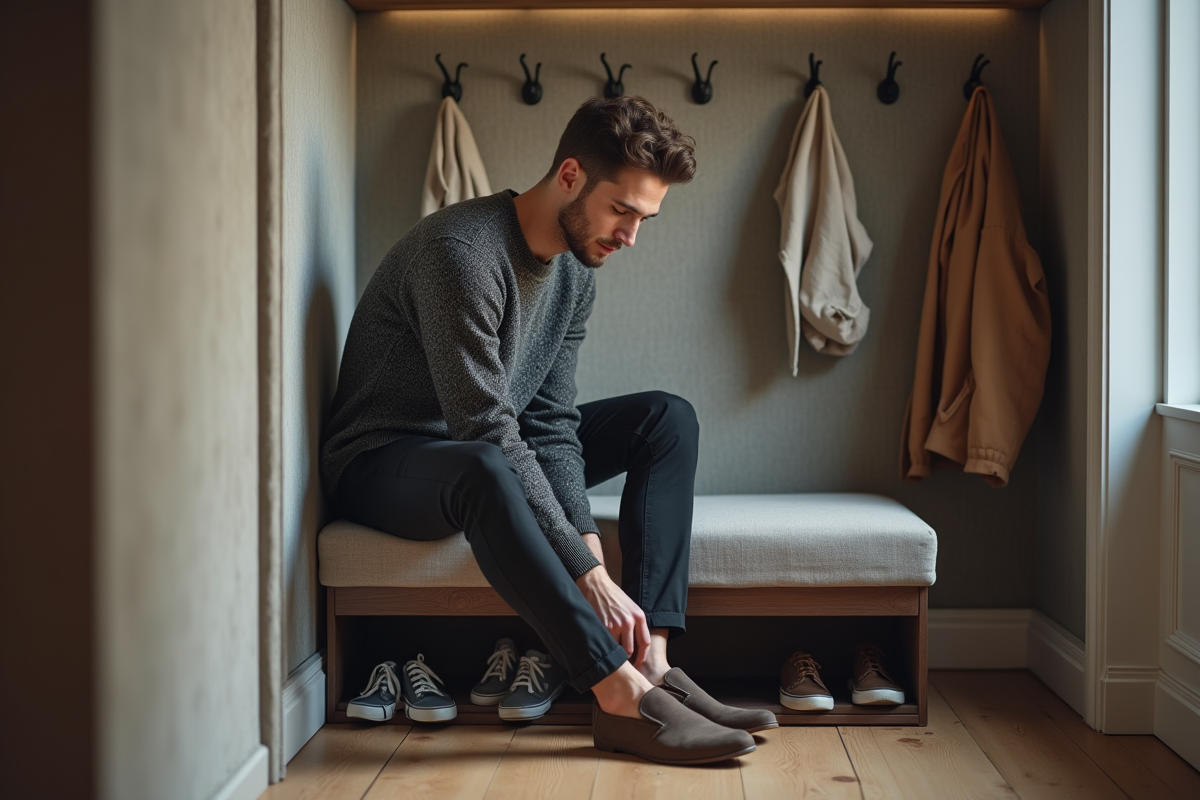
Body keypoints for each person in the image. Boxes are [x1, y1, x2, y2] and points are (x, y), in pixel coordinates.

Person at [320, 96, 776, 765]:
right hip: (384, 459)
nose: (630, 237)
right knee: (485, 463)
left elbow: (550, 422)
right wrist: (588, 572)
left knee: (665, 417)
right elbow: (484, 428)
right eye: (622, 210)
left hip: (478, 451)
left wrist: (584, 534)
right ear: (569, 176)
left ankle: (653, 660)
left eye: (644, 218)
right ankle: (617, 695)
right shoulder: (462, 253)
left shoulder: (574, 271)